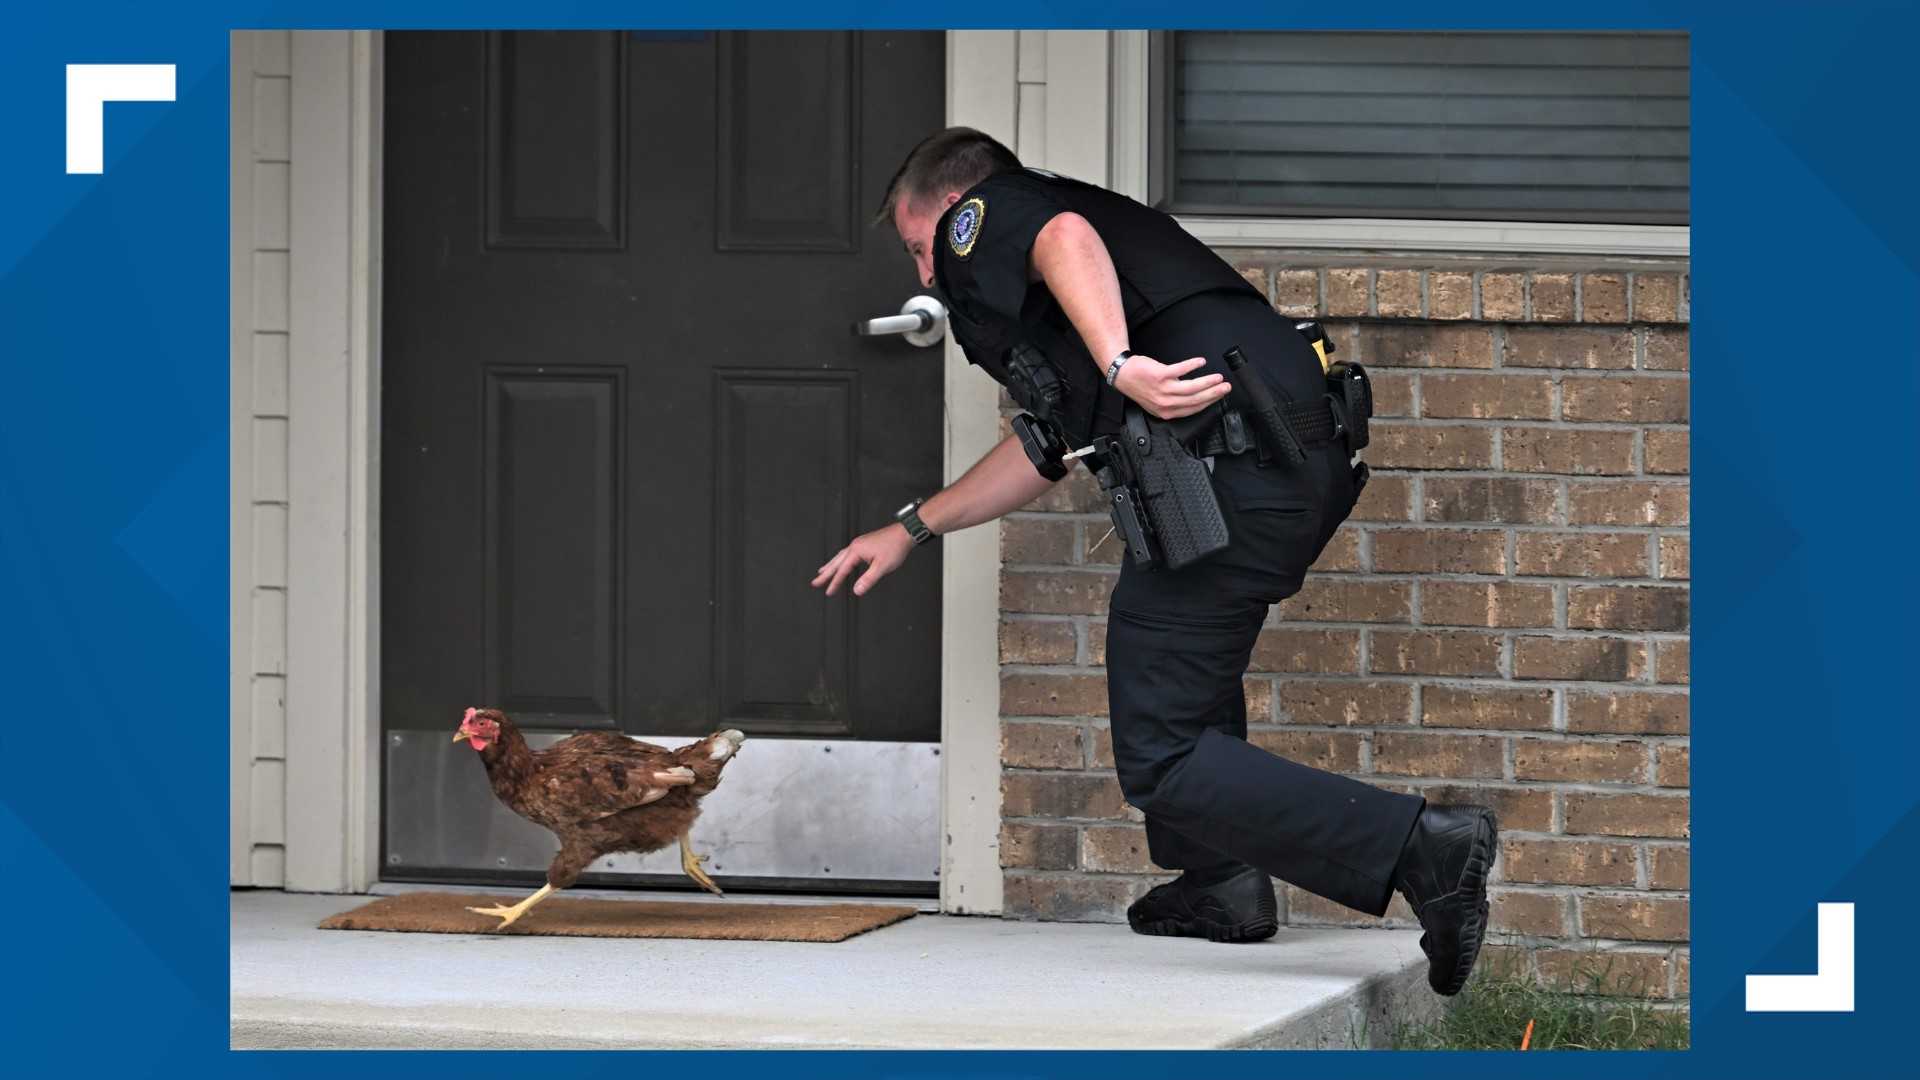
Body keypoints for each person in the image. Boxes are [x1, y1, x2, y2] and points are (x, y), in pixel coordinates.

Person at [812, 127, 1497, 996]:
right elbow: (1050, 444)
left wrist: (1121, 362)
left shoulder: (991, 215)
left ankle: (1422, 848)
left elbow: (1062, 236)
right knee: (1182, 678)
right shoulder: (1070, 298)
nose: (924, 275)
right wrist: (911, 529)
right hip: (1274, 462)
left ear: (951, 207)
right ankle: (1219, 882)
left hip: (1236, 464)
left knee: (1162, 749)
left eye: (918, 246)